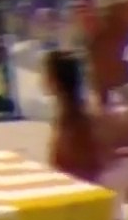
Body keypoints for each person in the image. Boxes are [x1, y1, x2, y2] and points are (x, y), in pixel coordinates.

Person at [43, 50, 103, 182]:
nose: (43, 80)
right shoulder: (72, 113)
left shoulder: (75, 120)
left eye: (46, 74)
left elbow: (79, 167)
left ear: (55, 81)